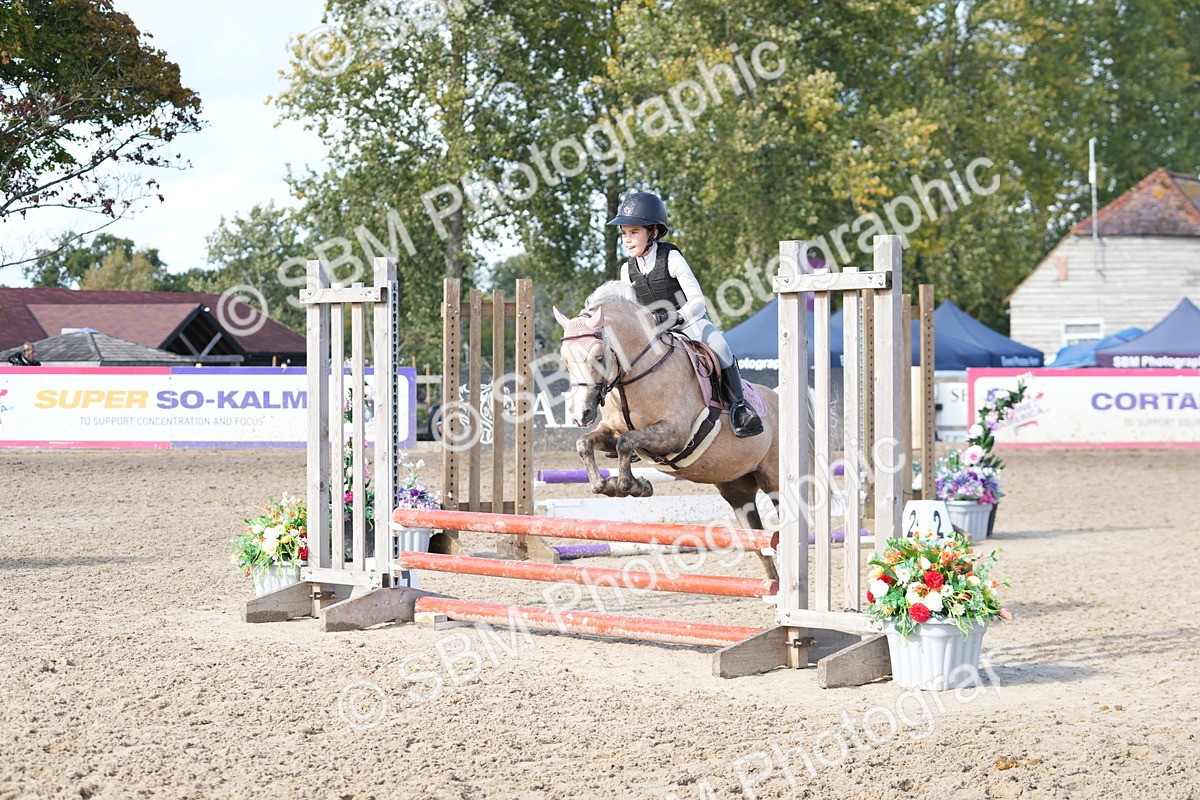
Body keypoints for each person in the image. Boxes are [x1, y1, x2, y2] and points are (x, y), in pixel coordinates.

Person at [607, 191, 762, 438]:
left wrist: (677, 317)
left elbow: (698, 301)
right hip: (655, 332)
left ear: (653, 233)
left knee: (720, 347)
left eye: (634, 232)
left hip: (688, 324)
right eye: (624, 233)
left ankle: (739, 408)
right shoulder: (628, 269)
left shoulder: (671, 257)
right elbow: (632, 310)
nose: (627, 239)